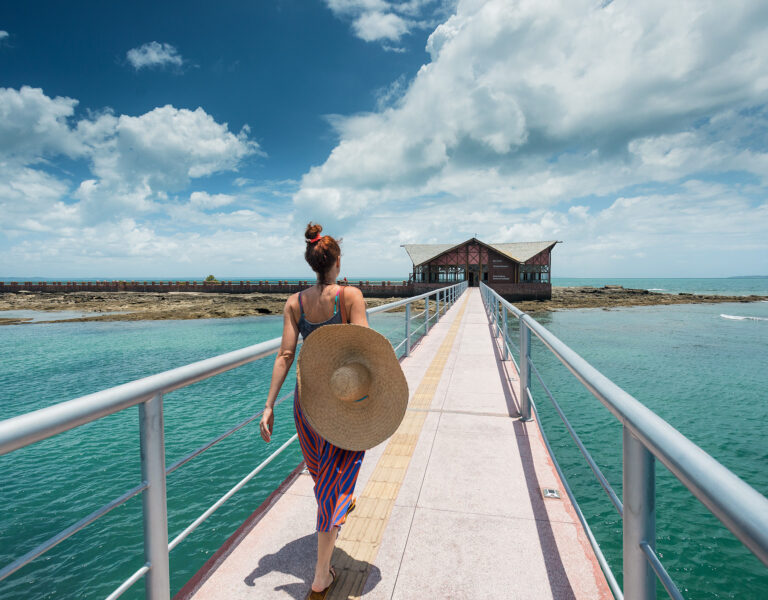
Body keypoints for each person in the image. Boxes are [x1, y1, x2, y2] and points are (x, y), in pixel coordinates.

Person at [259, 222, 369, 597]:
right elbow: (364, 347)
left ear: (312, 263)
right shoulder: (350, 296)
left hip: (306, 403)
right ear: (336, 261)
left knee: (324, 475)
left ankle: (340, 503)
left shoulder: (295, 303)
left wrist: (268, 405)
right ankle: (322, 573)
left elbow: (286, 354)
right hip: (342, 401)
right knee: (331, 488)